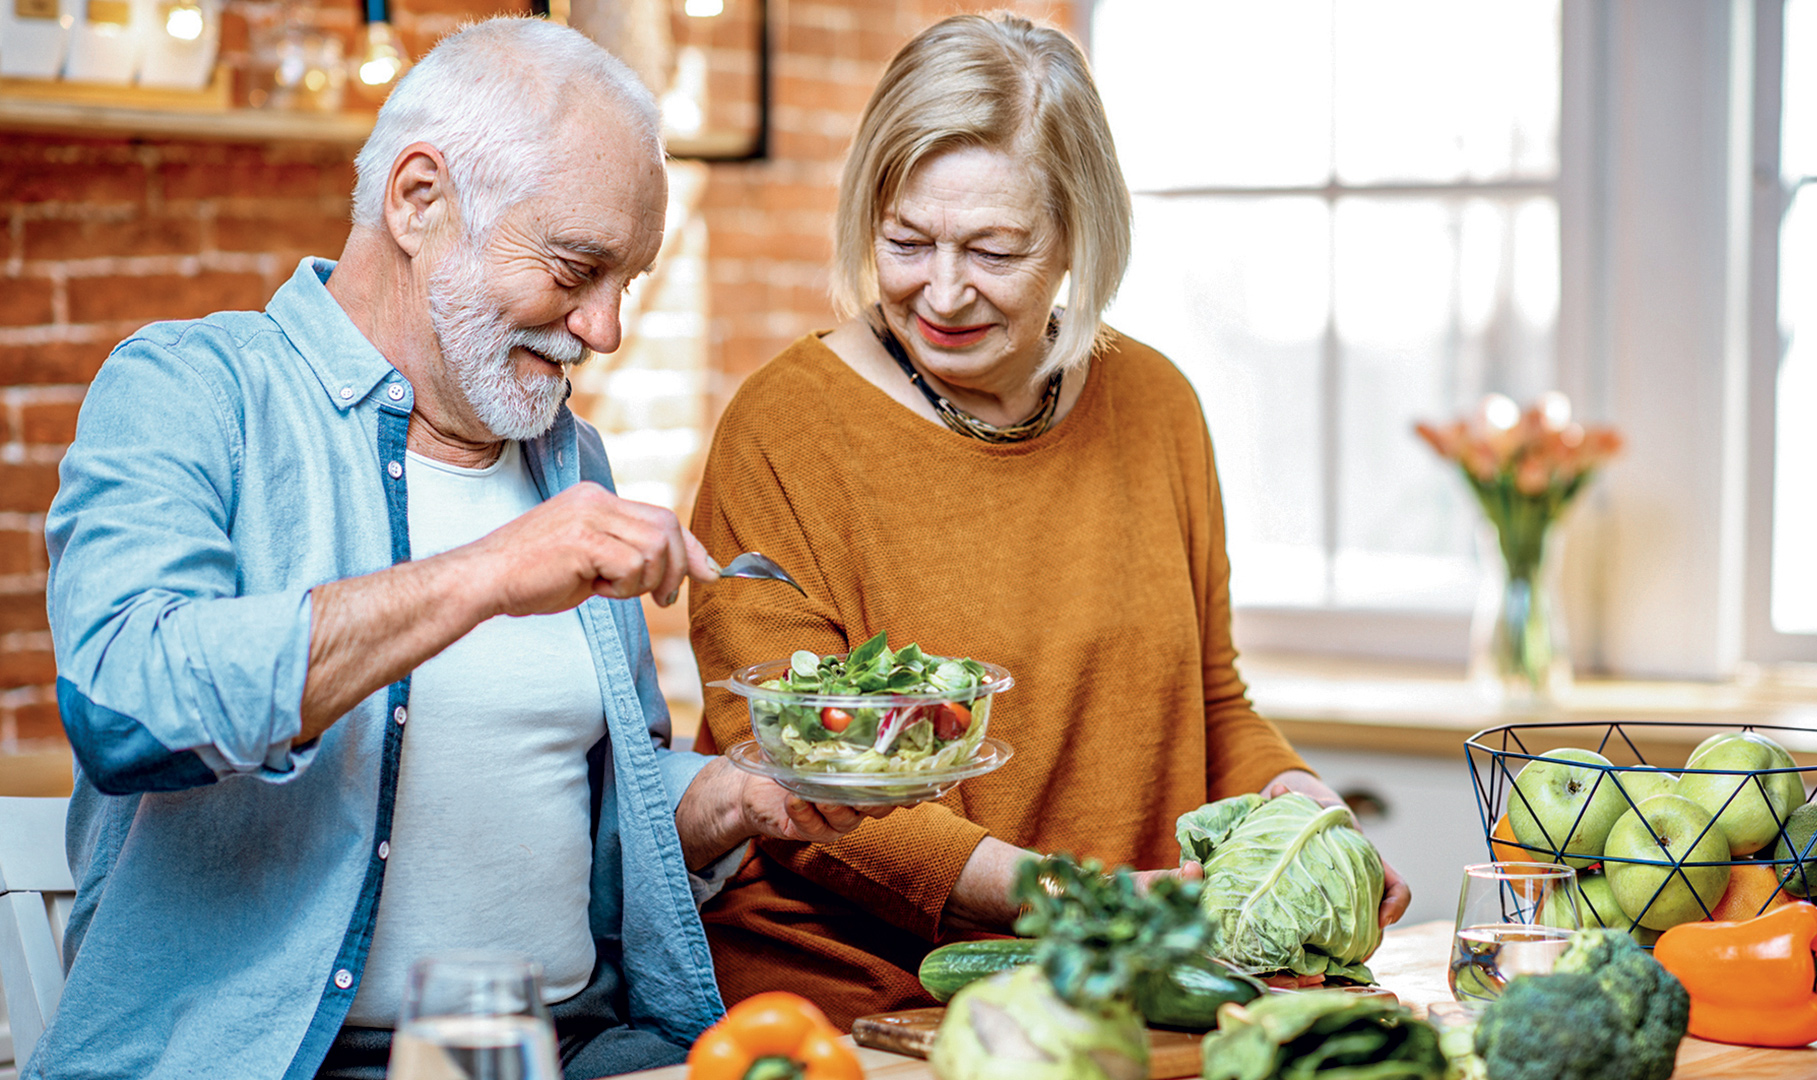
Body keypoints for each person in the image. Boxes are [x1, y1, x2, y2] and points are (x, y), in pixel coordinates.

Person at [37, 18, 882, 1080]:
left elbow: (579, 823)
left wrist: (741, 798)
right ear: (418, 199)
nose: (605, 329)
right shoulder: (192, 391)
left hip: (576, 1050)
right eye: (576, 267)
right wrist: (487, 573)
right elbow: (125, 707)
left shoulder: (568, 460)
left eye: (627, 282)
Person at [686, 13, 1413, 1026]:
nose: (943, 292)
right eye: (906, 241)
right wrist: (1069, 898)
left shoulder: (1156, 404)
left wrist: (1305, 812)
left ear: (1078, 235)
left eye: (995, 250)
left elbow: (1211, 703)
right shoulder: (784, 429)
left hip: (1123, 986)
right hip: (866, 1002)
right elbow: (792, 778)